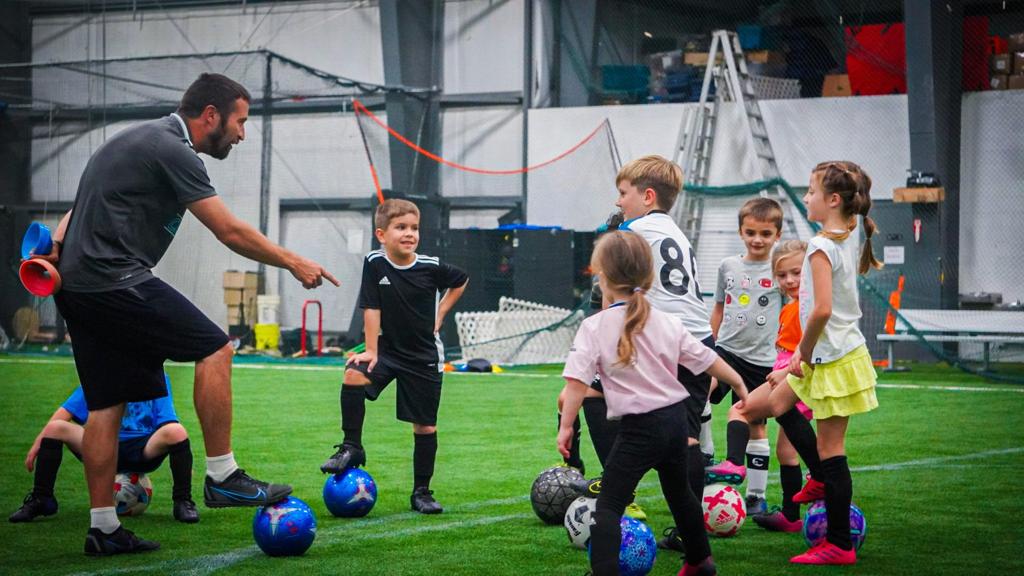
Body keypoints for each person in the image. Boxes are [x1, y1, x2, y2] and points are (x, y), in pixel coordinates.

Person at [43, 73, 339, 556]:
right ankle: (223, 475)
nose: (242, 134)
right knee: (216, 347)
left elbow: (77, 210)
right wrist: (293, 261)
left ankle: (104, 528)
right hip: (115, 278)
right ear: (211, 115)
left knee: (106, 405)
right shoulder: (174, 148)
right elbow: (229, 231)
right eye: (240, 122)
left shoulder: (132, 139)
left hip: (77, 286)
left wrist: (56, 245)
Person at [558, 231, 747, 576]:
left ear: (603, 277)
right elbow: (705, 359)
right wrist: (737, 382)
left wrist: (567, 426)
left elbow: (576, 384)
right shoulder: (666, 321)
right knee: (680, 494)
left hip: (639, 429)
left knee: (609, 505)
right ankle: (700, 561)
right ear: (647, 276)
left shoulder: (594, 326)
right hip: (675, 423)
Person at [725, 161, 881, 565]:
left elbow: (822, 310)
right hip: (826, 355)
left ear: (833, 200)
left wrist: (802, 354)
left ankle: (840, 544)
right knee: (765, 405)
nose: (806, 198)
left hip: (833, 359)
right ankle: (814, 477)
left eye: (811, 192)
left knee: (831, 449)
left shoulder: (821, 247)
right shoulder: (849, 231)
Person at [320, 199, 468, 515]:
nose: (409, 233)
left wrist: (441, 311)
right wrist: (371, 350)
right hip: (387, 350)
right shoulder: (375, 262)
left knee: (424, 427)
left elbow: (460, 279)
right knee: (353, 372)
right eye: (401, 227)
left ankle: (422, 492)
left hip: (423, 356)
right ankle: (352, 447)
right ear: (382, 234)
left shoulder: (431, 266)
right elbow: (371, 306)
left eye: (414, 228)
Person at [607, 155, 724, 552]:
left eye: (624, 193)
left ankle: (613, 506)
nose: (619, 201)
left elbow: (616, 292)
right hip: (698, 340)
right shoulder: (678, 232)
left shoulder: (633, 230)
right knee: (686, 439)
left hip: (661, 341)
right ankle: (691, 537)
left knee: (616, 415)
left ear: (648, 196)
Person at [9, 375, 199, 525]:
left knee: (176, 431)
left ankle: (182, 500)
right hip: (100, 445)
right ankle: (43, 498)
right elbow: (65, 412)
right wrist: (38, 444)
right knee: (55, 428)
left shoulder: (156, 376)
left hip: (141, 448)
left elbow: (168, 420)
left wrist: (182, 454)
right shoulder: (99, 373)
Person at [703, 198, 784, 514]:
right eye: (751, 232)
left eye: (765, 233)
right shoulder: (728, 266)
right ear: (740, 231)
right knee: (700, 390)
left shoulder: (780, 269)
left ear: (777, 235)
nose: (757, 239)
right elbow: (718, 308)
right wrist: (709, 345)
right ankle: (706, 454)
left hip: (761, 361)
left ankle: (755, 496)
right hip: (726, 351)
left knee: (755, 424)